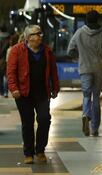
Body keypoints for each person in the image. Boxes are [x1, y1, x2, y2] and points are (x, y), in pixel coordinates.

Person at [7, 25, 59, 164]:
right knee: (27, 123)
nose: (40, 36)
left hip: (42, 93)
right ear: (28, 38)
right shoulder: (17, 50)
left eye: (40, 33)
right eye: (37, 34)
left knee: (44, 119)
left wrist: (55, 87)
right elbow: (11, 72)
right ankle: (28, 153)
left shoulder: (47, 51)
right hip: (24, 94)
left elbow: (53, 70)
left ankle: (40, 150)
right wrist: (13, 89)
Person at [67, 10, 102, 137]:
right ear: (98, 20)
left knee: (86, 95)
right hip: (98, 69)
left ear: (86, 20)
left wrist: (79, 57)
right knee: (96, 97)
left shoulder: (79, 32)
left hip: (84, 69)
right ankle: (95, 128)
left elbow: (70, 50)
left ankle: (86, 115)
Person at [2, 33, 20, 98]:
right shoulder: (18, 49)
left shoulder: (10, 49)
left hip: (8, 64)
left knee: (6, 78)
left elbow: (7, 59)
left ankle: (5, 92)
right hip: (14, 66)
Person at [0, 26, 10, 97]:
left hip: (1, 59)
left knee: (1, 76)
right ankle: (5, 92)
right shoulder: (8, 37)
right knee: (5, 76)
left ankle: (2, 91)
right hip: (7, 58)